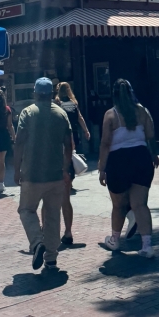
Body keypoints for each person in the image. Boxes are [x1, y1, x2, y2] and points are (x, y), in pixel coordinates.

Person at [13, 77, 73, 272]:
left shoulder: (27, 113)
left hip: (32, 173)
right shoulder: (61, 114)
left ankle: (37, 242)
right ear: (52, 95)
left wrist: (16, 169)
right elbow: (68, 144)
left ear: (35, 93)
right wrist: (65, 168)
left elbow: (19, 142)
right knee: (53, 215)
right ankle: (52, 258)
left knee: (26, 210)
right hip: (55, 173)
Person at [98, 78, 159, 258]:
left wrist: (102, 168)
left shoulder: (111, 115)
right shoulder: (143, 111)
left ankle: (115, 240)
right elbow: (150, 136)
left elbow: (105, 143)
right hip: (141, 157)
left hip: (118, 161)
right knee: (140, 204)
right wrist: (153, 155)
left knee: (118, 205)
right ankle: (147, 245)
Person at [55, 82, 91, 246]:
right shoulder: (73, 104)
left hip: (59, 144)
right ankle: (68, 231)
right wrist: (86, 130)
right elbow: (80, 118)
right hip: (72, 138)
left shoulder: (57, 104)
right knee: (66, 196)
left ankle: (48, 232)